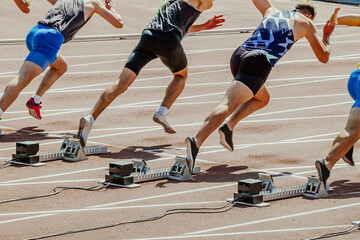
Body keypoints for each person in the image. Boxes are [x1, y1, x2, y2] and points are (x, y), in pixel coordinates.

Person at [185, 0, 337, 173]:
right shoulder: (307, 23)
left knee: (263, 98)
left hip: (239, 55)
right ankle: (195, 141)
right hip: (259, 61)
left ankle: (229, 126)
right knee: (228, 103)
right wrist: (327, 34)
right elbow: (324, 57)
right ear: (309, 15)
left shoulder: (272, 10)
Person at [77, 0, 225, 147]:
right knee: (181, 76)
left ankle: (90, 118)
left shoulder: (171, 3)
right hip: (168, 39)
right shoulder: (204, 3)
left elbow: (183, 26)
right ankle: (162, 112)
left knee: (121, 83)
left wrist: (204, 26)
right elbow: (203, 7)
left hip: (149, 35)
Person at [0, 0, 123, 121]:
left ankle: (35, 100)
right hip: (50, 39)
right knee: (22, 79)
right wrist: (111, 8)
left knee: (61, 66)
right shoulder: (94, 3)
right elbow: (118, 23)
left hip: (35, 32)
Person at [315, 13, 360, 187]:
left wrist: (336, 20)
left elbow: (357, 19)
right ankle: (326, 163)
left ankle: (346, 148)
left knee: (356, 128)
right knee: (353, 129)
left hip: (355, 78)